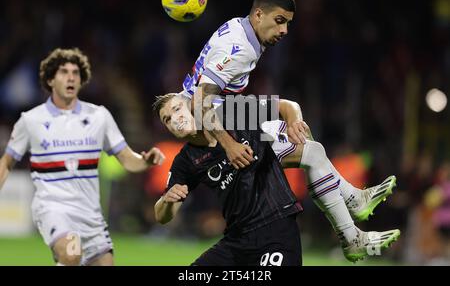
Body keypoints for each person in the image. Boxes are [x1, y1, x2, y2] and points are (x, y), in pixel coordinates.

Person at [180, 0, 398, 259]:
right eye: (279, 21)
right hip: (212, 130)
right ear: (259, 14)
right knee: (310, 152)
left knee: (311, 149)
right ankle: (352, 225)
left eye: (288, 24)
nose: (284, 31)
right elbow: (199, 100)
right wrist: (229, 144)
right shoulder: (240, 49)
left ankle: (353, 216)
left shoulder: (240, 27)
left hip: (229, 113)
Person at [153, 93, 400, 264]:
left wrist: (293, 122)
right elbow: (163, 215)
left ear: (192, 106)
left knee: (312, 150)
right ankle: (352, 217)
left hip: (277, 231)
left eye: (177, 109)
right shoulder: (185, 161)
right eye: (167, 119)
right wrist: (167, 200)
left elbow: (286, 106)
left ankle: (352, 222)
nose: (174, 118)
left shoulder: (230, 113)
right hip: (237, 240)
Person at [0, 48, 166, 266]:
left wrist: (146, 161)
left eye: (76, 73)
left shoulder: (99, 116)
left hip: (90, 214)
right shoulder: (31, 120)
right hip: (53, 207)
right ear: (50, 79)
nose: (71, 77)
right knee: (72, 253)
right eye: (63, 72)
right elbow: (7, 162)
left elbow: (127, 159)